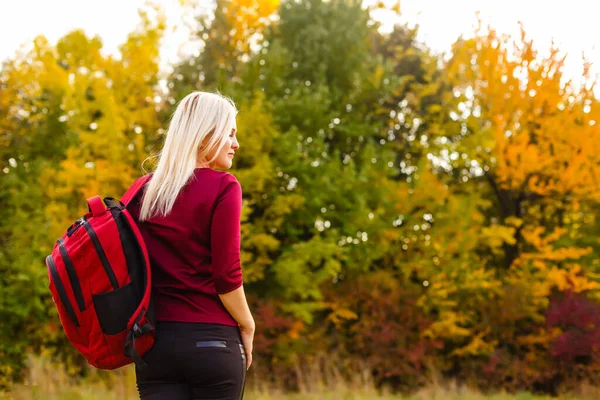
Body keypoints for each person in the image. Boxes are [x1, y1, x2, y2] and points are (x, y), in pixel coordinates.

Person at [127, 91, 254, 400]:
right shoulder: (224, 186)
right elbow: (226, 275)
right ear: (203, 136)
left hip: (155, 347)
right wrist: (247, 324)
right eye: (230, 133)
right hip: (213, 344)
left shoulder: (142, 191)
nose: (235, 144)